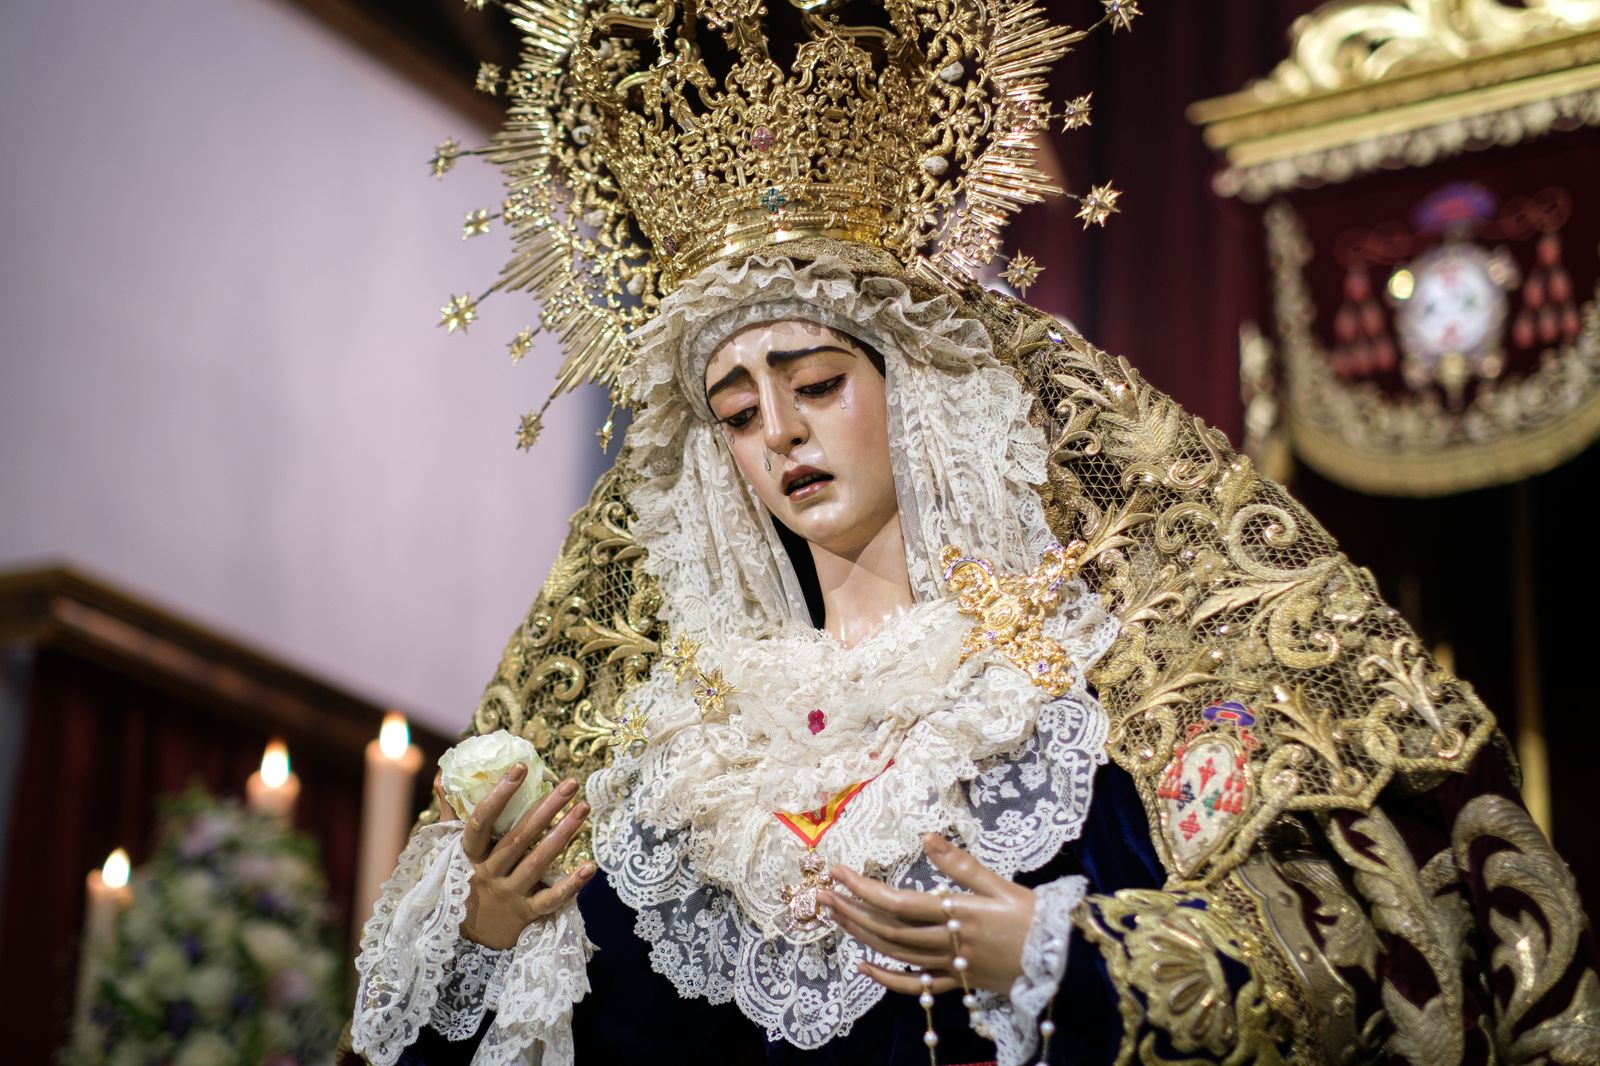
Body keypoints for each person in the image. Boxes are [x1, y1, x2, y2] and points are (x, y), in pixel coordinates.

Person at [345, 1, 1600, 1063]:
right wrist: (491, 939)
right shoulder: (668, 757)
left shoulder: (1075, 692)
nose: (781, 434)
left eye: (818, 384)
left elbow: (1353, 949)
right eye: (737, 410)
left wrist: (1064, 954)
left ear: (916, 391)